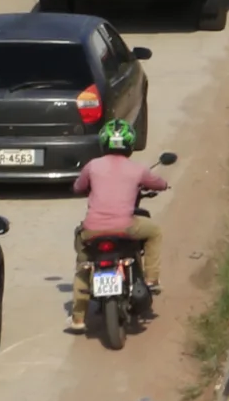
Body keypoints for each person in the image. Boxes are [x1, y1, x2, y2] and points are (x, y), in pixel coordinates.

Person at [68, 118, 168, 321]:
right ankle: (151, 279)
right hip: (126, 227)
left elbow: (78, 187)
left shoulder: (92, 166)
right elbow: (159, 183)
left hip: (92, 230)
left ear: (103, 144)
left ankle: (78, 317)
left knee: (83, 262)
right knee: (155, 232)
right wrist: (163, 185)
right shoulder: (137, 169)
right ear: (130, 145)